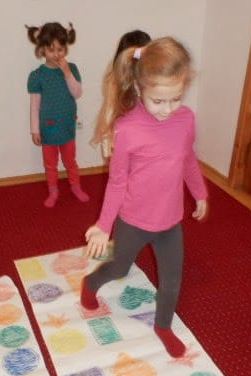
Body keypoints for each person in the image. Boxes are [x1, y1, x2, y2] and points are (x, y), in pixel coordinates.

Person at [80, 37, 208, 358]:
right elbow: (117, 182)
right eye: (158, 101)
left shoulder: (186, 119)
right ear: (139, 89)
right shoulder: (127, 129)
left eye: (175, 99)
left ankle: (163, 326)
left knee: (172, 280)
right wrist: (103, 225)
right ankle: (91, 283)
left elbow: (187, 158)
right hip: (133, 221)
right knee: (120, 268)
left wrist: (200, 192)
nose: (167, 110)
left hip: (170, 222)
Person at [26, 22, 89, 207]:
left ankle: (76, 186)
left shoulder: (72, 68)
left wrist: (67, 73)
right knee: (50, 164)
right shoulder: (37, 75)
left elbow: (77, 93)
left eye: (60, 49)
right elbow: (35, 104)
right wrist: (35, 130)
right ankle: (53, 190)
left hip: (67, 125)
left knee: (70, 160)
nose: (56, 54)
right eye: (51, 49)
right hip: (48, 127)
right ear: (42, 49)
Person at [99, 29, 152, 162]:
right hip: (123, 141)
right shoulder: (116, 81)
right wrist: (107, 149)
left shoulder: (151, 78)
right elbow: (109, 112)